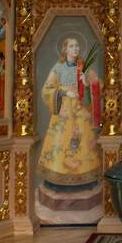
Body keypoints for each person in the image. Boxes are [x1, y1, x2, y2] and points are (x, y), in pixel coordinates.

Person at [38, 36, 101, 187]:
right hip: (64, 111)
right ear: (65, 49)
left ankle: (85, 181)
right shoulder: (58, 67)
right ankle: (57, 182)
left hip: (80, 111)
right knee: (61, 141)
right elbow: (47, 89)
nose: (75, 49)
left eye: (77, 46)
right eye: (72, 46)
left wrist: (86, 83)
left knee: (83, 141)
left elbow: (98, 86)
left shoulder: (84, 66)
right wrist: (65, 93)